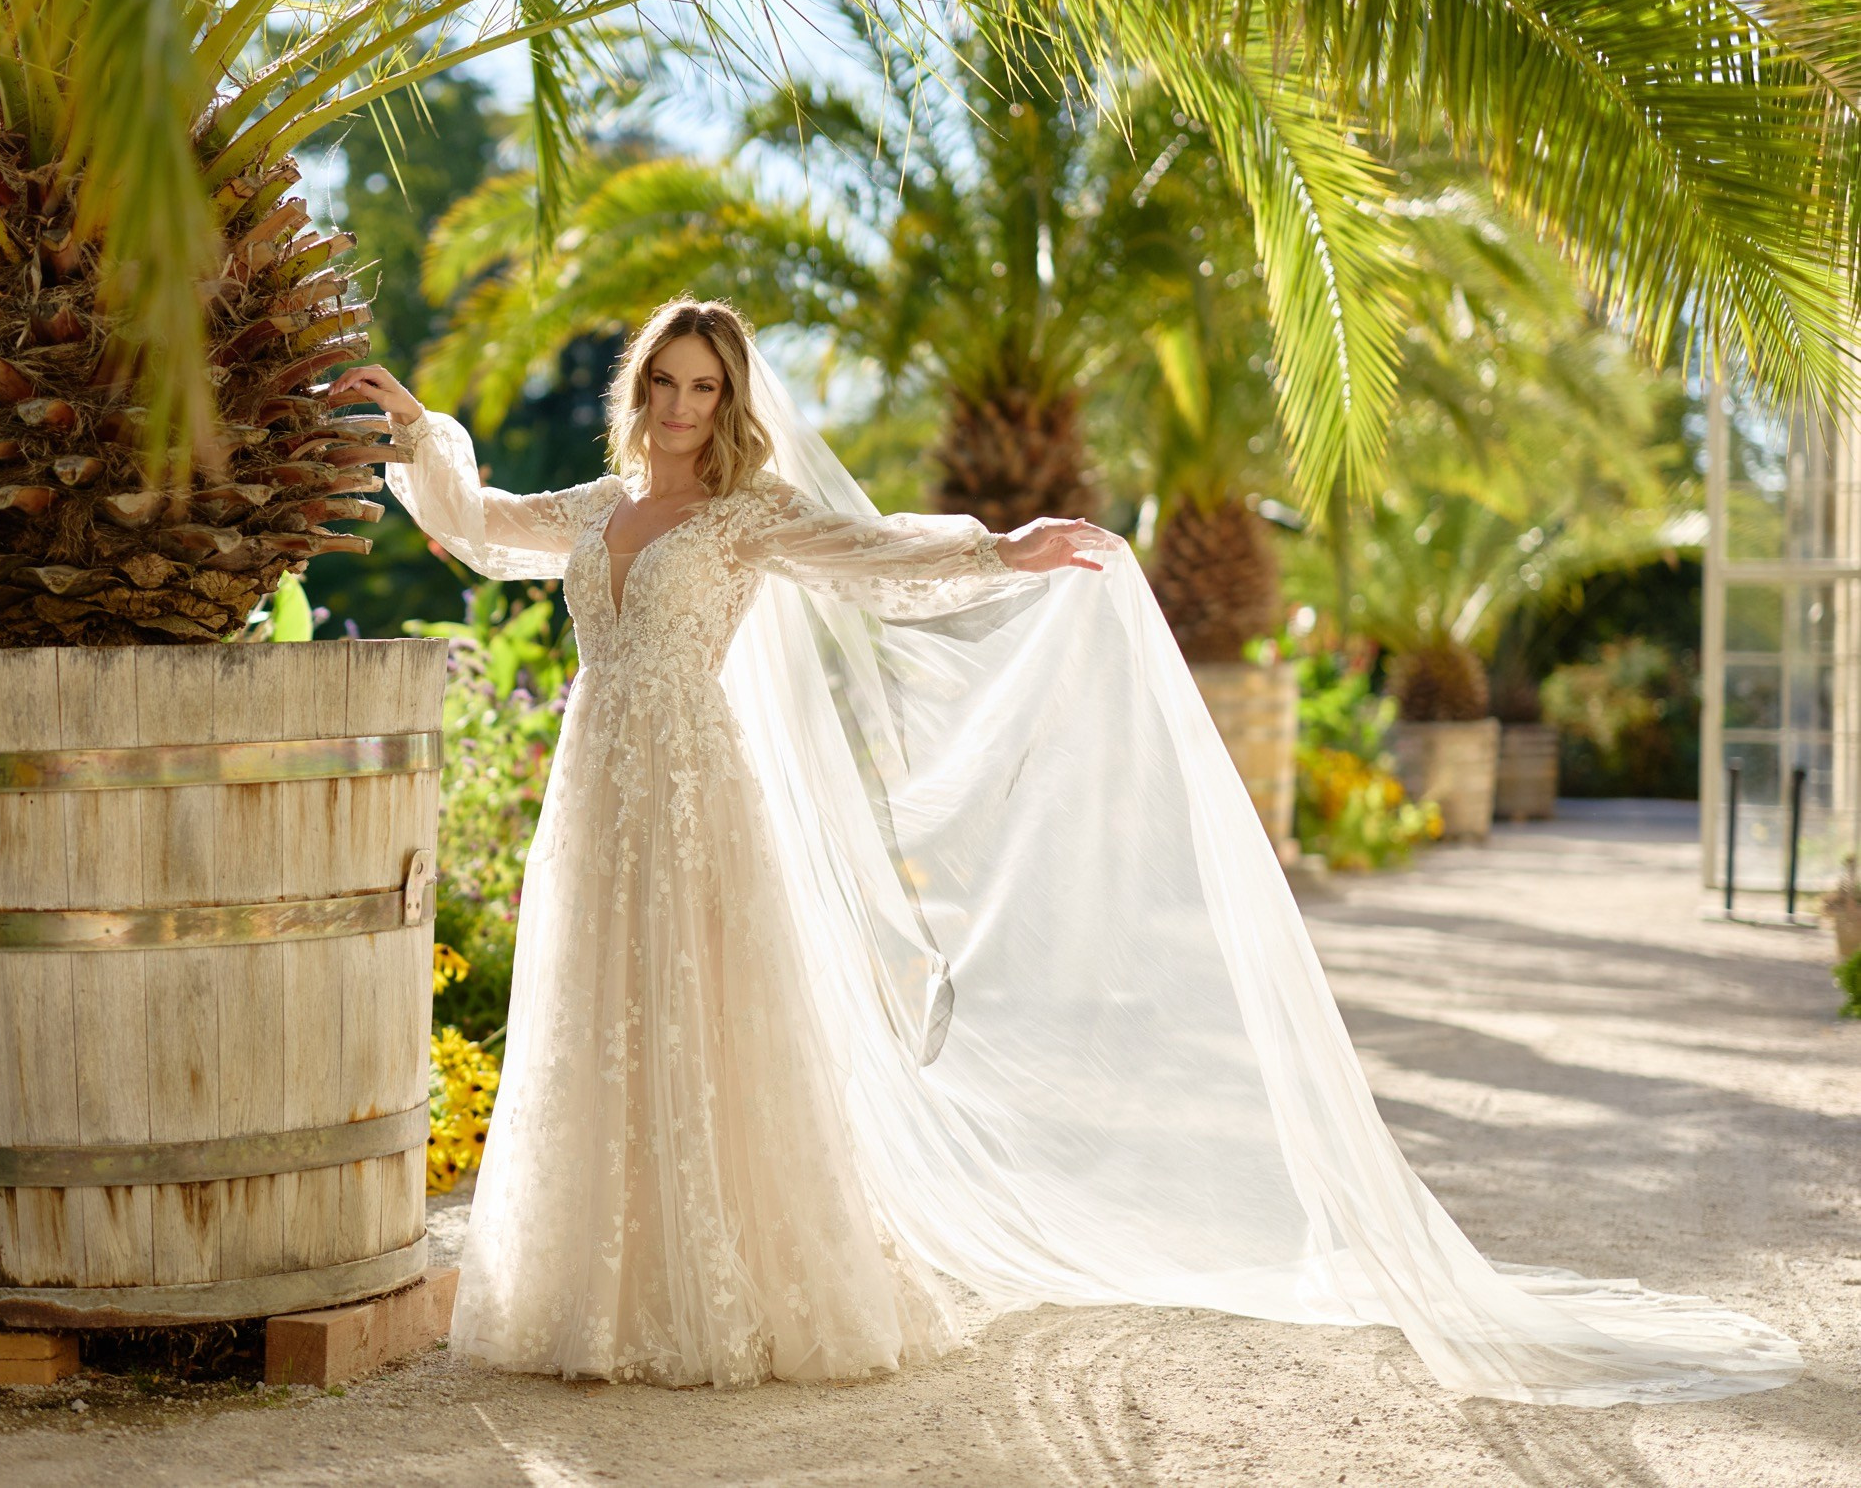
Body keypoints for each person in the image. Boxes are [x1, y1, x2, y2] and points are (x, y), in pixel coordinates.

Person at [325, 296, 1801, 1403]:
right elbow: (481, 526)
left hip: (699, 791)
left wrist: (1004, 549)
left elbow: (881, 555)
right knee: (598, 1018)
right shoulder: (599, 507)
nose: (686, 406)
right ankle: (595, 1288)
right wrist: (419, 436)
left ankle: (711, 1291)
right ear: (637, 388)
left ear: (731, 402)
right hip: (600, 786)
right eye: (668, 382)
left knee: (702, 1016)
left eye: (710, 387)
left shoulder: (754, 514)